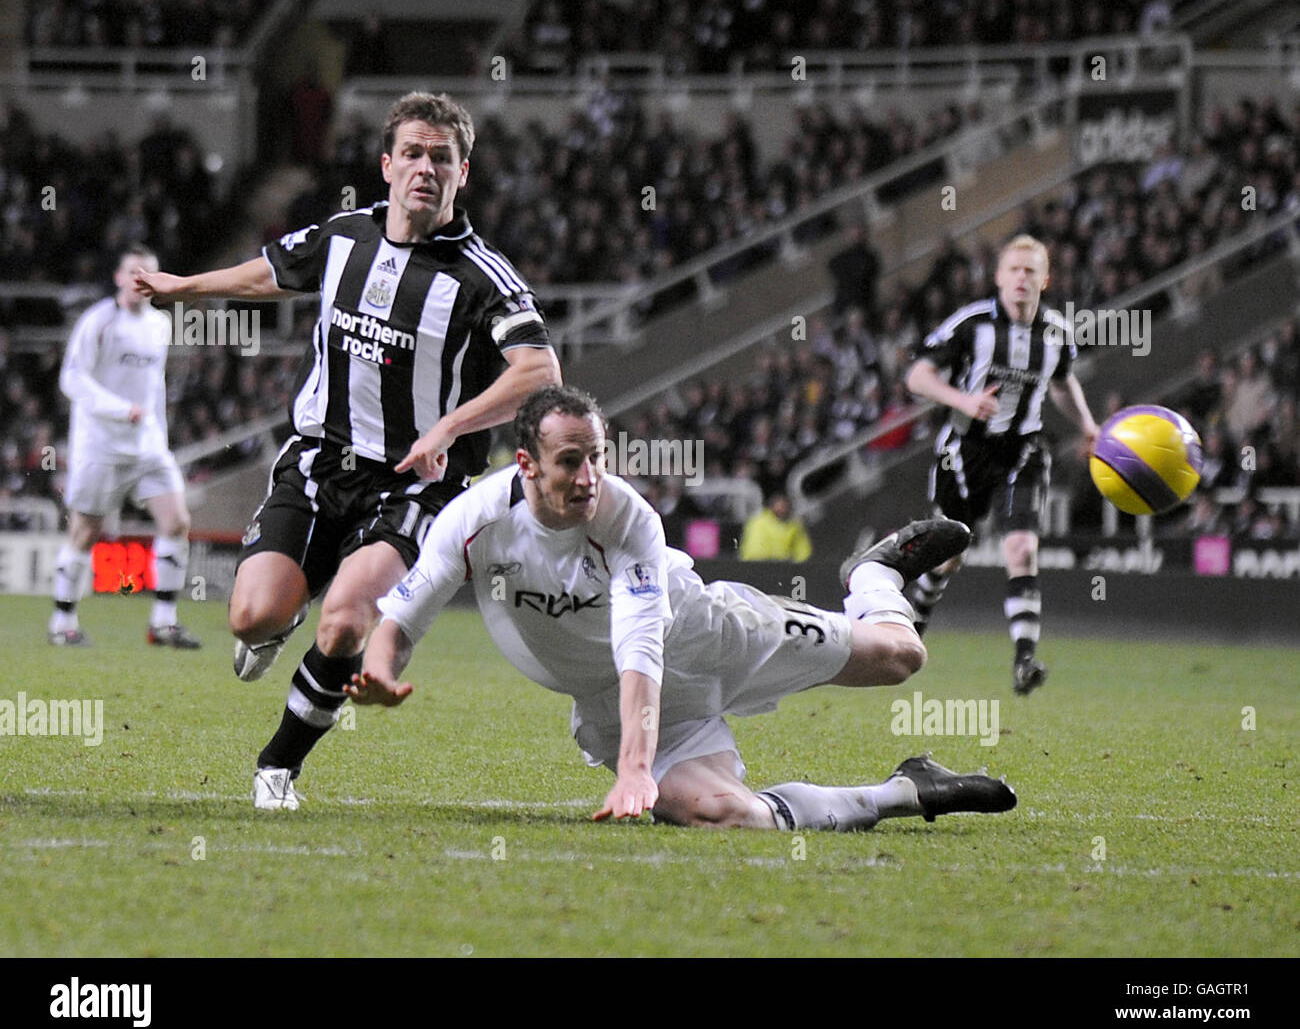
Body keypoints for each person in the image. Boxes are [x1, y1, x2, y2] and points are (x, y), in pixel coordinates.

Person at [133, 92, 561, 809]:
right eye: (415, 155)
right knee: (250, 617)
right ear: (388, 164)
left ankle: (278, 767)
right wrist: (187, 287)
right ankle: (282, 614)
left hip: (414, 483)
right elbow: (271, 270)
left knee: (349, 617)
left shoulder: (484, 277)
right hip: (318, 460)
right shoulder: (344, 237)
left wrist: (448, 428)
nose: (427, 169)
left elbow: (540, 372)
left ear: (464, 172)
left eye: (443, 158)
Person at [347, 385, 1016, 831]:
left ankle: (870, 576)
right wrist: (379, 669)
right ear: (525, 463)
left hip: (705, 635)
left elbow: (641, 647)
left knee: (901, 656)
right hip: (613, 706)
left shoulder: (627, 519)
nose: (588, 479)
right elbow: (403, 615)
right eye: (569, 462)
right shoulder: (473, 521)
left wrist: (636, 769)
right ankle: (908, 792)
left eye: (597, 460)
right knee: (729, 817)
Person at [904, 234, 1099, 695]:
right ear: (998, 277)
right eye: (1013, 269)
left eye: (1031, 271)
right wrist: (963, 401)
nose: (1021, 278)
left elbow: (1062, 384)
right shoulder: (972, 324)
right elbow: (917, 375)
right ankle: (914, 625)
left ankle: (1024, 661)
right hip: (965, 451)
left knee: (1021, 550)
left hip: (1024, 451)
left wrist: (1090, 427)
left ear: (1045, 280)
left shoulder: (1056, 333)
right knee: (949, 557)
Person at [49, 245, 201, 649]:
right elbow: (72, 380)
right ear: (118, 278)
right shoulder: (98, 321)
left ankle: (164, 623)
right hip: (101, 445)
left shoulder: (159, 326)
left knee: (176, 522)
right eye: (133, 273)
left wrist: (158, 434)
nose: (140, 281)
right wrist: (120, 410)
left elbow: (155, 389)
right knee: (85, 531)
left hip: (148, 446)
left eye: (148, 275)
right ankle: (62, 623)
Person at [737, 491, 812, 562]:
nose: (781, 509)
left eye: (784, 506)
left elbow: (803, 551)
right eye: (778, 505)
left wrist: (797, 564)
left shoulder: (795, 525)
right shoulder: (758, 522)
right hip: (759, 567)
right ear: (771, 506)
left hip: (786, 568)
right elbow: (754, 550)